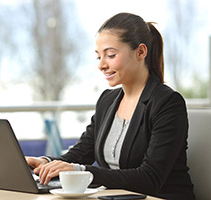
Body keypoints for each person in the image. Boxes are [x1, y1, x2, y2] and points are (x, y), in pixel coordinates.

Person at [26, 12, 195, 200]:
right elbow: (82, 153)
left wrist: (81, 171)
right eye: (99, 57)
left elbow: (150, 178)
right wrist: (45, 162)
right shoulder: (107, 101)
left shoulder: (167, 103)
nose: (101, 65)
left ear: (140, 52)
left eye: (111, 55)